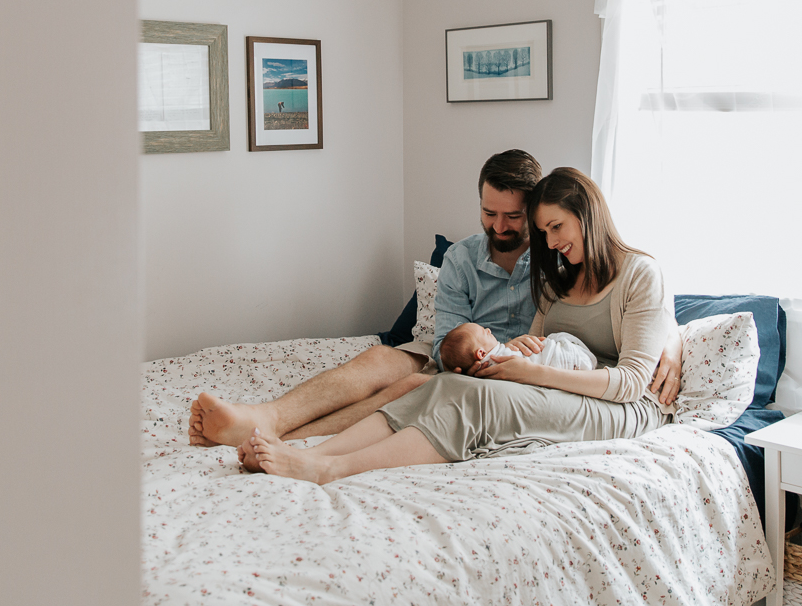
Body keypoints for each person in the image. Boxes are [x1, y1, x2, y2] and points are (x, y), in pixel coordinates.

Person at [246, 167, 679, 484]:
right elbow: (542, 338)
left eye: (556, 227)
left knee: (481, 402)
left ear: (589, 214)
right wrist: (528, 347)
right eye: (543, 231)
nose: (549, 242)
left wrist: (530, 372)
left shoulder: (641, 274)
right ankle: (309, 451)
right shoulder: (560, 275)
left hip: (621, 409)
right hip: (558, 384)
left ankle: (329, 469)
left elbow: (631, 384)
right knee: (443, 385)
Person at [188, 149, 552, 456]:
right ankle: (267, 416)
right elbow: (444, 345)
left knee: (414, 387)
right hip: (455, 352)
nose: (499, 226)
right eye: (489, 214)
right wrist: (453, 357)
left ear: (533, 212)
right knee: (380, 358)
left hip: (508, 371)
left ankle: (273, 438)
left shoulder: (554, 258)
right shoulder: (460, 258)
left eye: (513, 217)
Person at [438, 323, 595, 374]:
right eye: (484, 332)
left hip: (564, 363)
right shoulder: (500, 357)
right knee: (556, 337)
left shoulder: (487, 370)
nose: (488, 330)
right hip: (562, 359)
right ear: (481, 353)